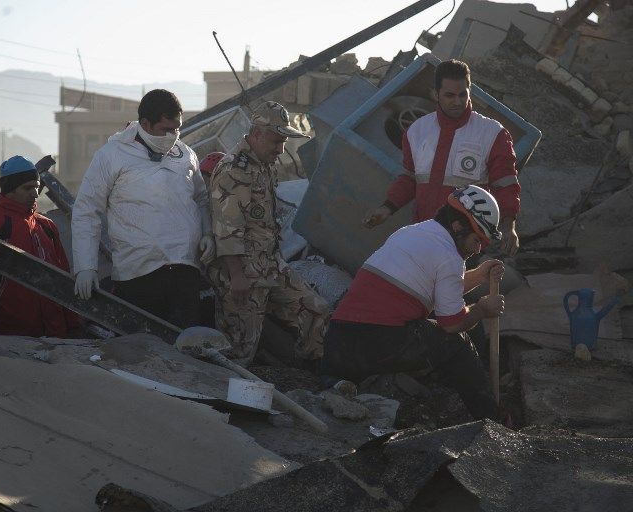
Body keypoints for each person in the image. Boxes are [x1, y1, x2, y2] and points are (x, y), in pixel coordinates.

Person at [323, 185, 505, 421]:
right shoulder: (449, 256)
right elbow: (451, 323)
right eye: (476, 239)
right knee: (455, 341)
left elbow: (436, 287)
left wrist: (479, 275)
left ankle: (338, 383)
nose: (478, 248)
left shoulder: (412, 232)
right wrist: (481, 310)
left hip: (339, 342)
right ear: (458, 226)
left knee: (424, 329)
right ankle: (491, 418)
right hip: (376, 342)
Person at [71, 89, 214, 329]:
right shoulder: (112, 155)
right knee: (144, 348)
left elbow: (200, 199)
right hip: (138, 275)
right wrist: (85, 266)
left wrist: (207, 232)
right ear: (145, 124)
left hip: (185, 270)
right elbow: (87, 211)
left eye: (177, 128)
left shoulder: (186, 155)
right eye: (165, 129)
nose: (172, 135)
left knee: (185, 347)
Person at [208, 101, 330, 366]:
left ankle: (307, 373)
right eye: (276, 141)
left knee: (314, 309)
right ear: (257, 134)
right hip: (241, 274)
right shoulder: (234, 171)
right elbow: (227, 230)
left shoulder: (262, 164)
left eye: (284, 141)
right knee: (239, 352)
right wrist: (237, 276)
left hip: (270, 266)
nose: (281, 149)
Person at [363, 59, 521, 256]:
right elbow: (410, 178)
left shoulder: (492, 133)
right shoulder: (416, 131)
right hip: (422, 234)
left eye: (463, 94)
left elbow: (506, 185)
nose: (457, 101)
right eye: (449, 95)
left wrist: (509, 225)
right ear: (435, 94)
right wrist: (387, 207)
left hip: (463, 242)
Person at [0, 156, 81, 338]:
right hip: (10, 337)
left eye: (36, 187)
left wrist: (73, 325)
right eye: (27, 188)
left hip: (56, 337)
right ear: (9, 190)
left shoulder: (47, 226)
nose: (35, 194)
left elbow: (63, 279)